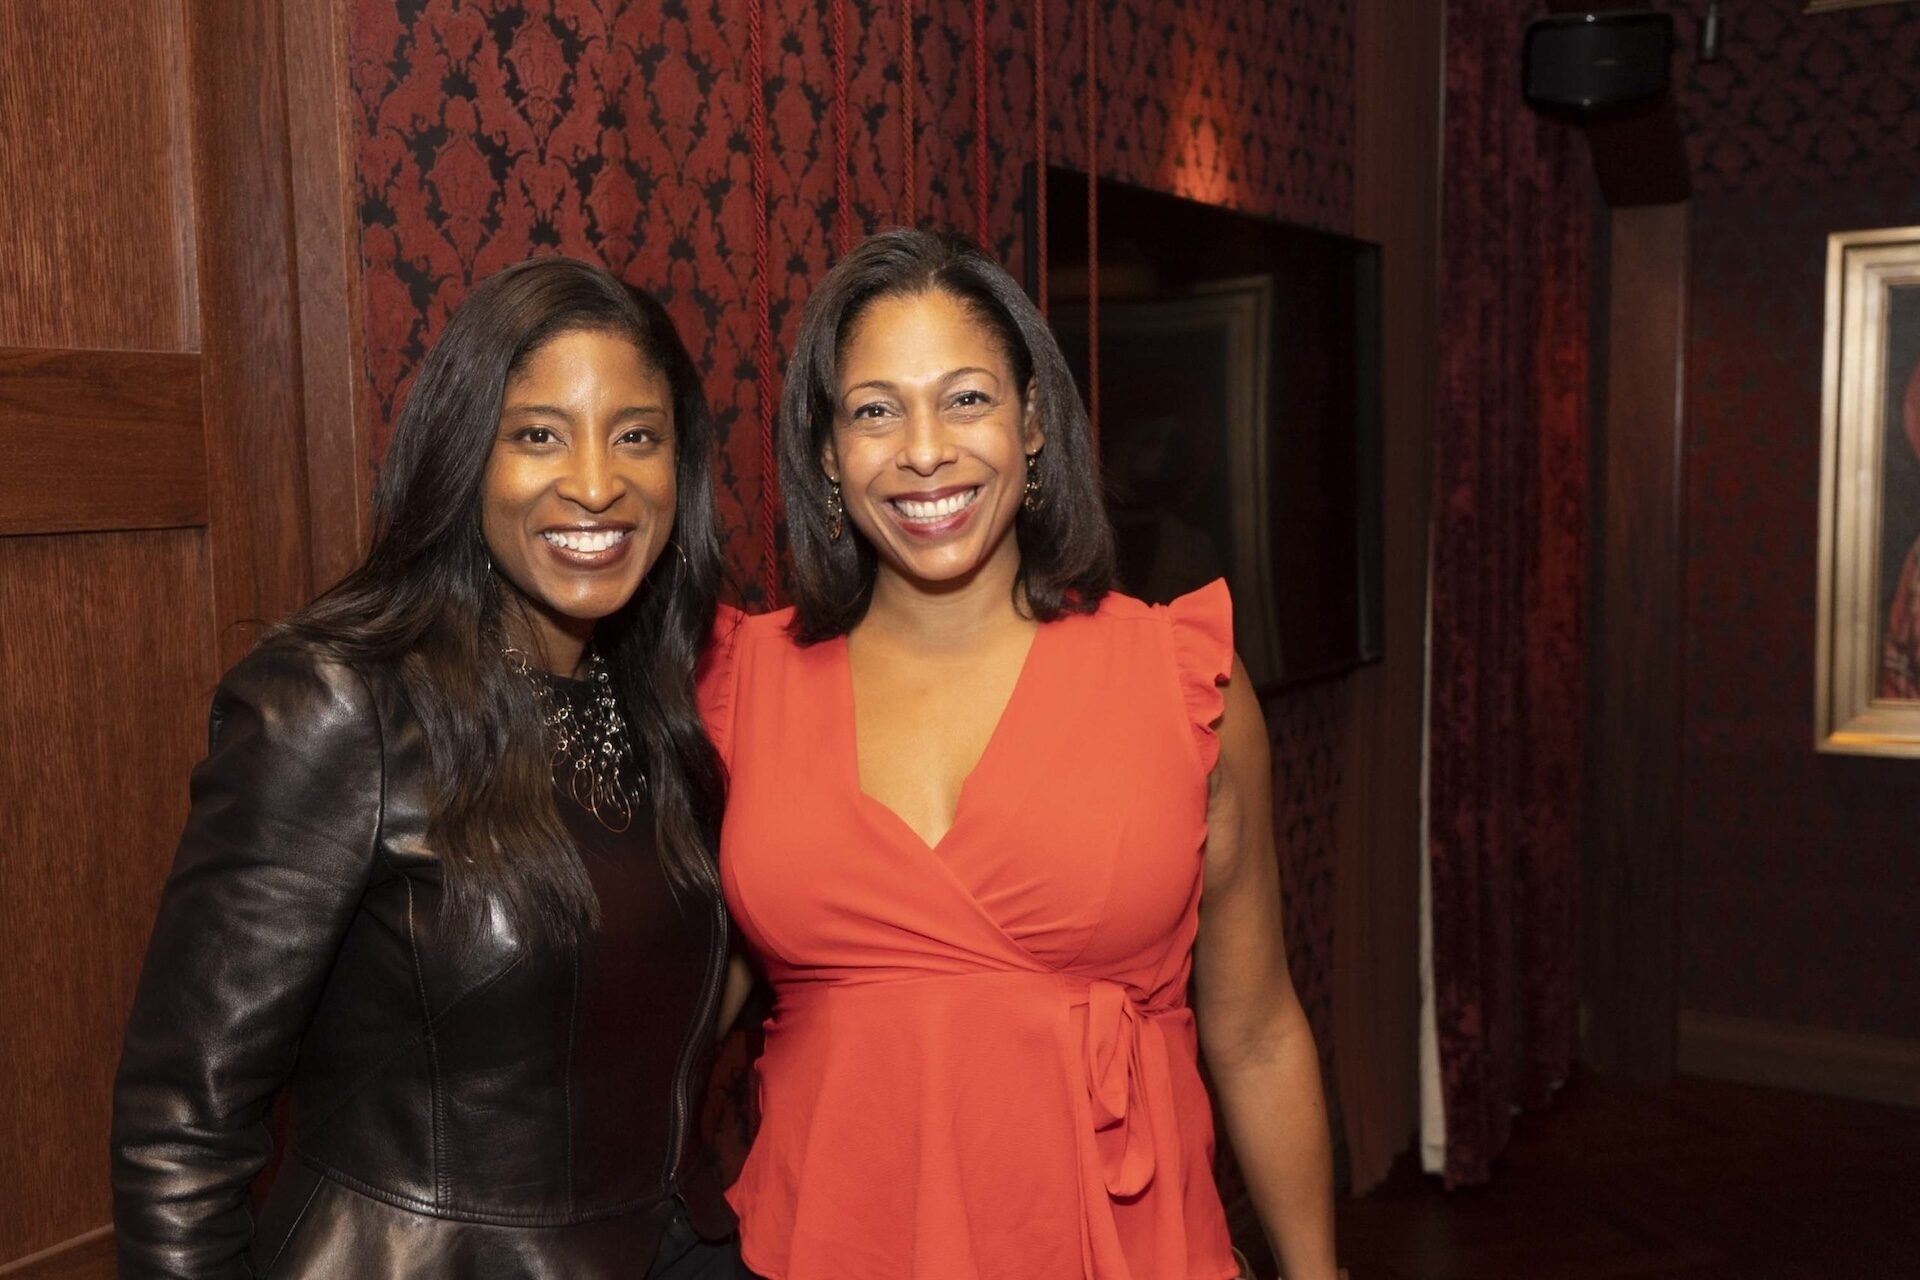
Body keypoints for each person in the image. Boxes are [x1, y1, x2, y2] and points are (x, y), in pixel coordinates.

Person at [699, 229, 1339, 1279]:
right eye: (874, 409)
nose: (924, 449)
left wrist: (1318, 1274)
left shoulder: (1180, 684)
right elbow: (663, 1011)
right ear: (824, 451)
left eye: (966, 399)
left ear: (1034, 421)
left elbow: (1259, 1029)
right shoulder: (738, 691)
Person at [112, 258, 749, 1279]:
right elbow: (178, 1131)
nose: (596, 480)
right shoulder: (338, 703)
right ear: (464, 455)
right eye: (538, 433)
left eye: (637, 434)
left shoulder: (657, 705)